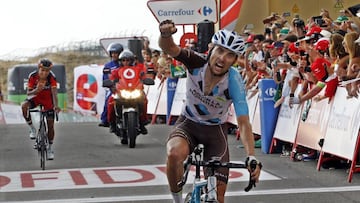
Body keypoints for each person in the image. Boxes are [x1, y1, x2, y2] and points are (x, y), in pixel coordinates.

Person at [158, 20, 262, 203]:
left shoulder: (234, 81)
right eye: (220, 51)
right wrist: (166, 35)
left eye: (230, 55)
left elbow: (244, 122)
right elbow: (170, 48)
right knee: (174, 153)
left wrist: (251, 156)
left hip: (215, 133)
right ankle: (177, 200)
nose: (223, 58)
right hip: (188, 124)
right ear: (211, 49)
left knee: (218, 198)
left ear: (235, 60)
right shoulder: (196, 61)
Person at [21, 59, 61, 160]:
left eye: (47, 71)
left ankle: (50, 148)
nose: (45, 73)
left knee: (50, 126)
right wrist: (37, 90)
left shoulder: (51, 77)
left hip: (48, 100)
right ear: (39, 68)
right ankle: (32, 129)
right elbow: (28, 93)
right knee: (24, 106)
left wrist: (56, 106)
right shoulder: (33, 76)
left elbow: (54, 93)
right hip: (35, 98)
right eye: (42, 70)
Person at [107, 50, 149, 143]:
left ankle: (143, 122)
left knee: (144, 100)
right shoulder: (117, 71)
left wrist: (146, 80)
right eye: (123, 60)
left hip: (135, 91)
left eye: (128, 60)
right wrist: (110, 83)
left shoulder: (138, 70)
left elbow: (144, 77)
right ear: (120, 61)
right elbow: (112, 79)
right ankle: (112, 123)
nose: (125, 62)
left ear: (132, 61)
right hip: (121, 92)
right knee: (110, 102)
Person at [99, 42, 124, 127]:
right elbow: (105, 78)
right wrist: (110, 85)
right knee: (108, 100)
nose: (114, 55)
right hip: (113, 88)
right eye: (112, 53)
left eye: (116, 53)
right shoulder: (108, 66)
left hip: (126, 87)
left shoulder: (126, 63)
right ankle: (105, 119)